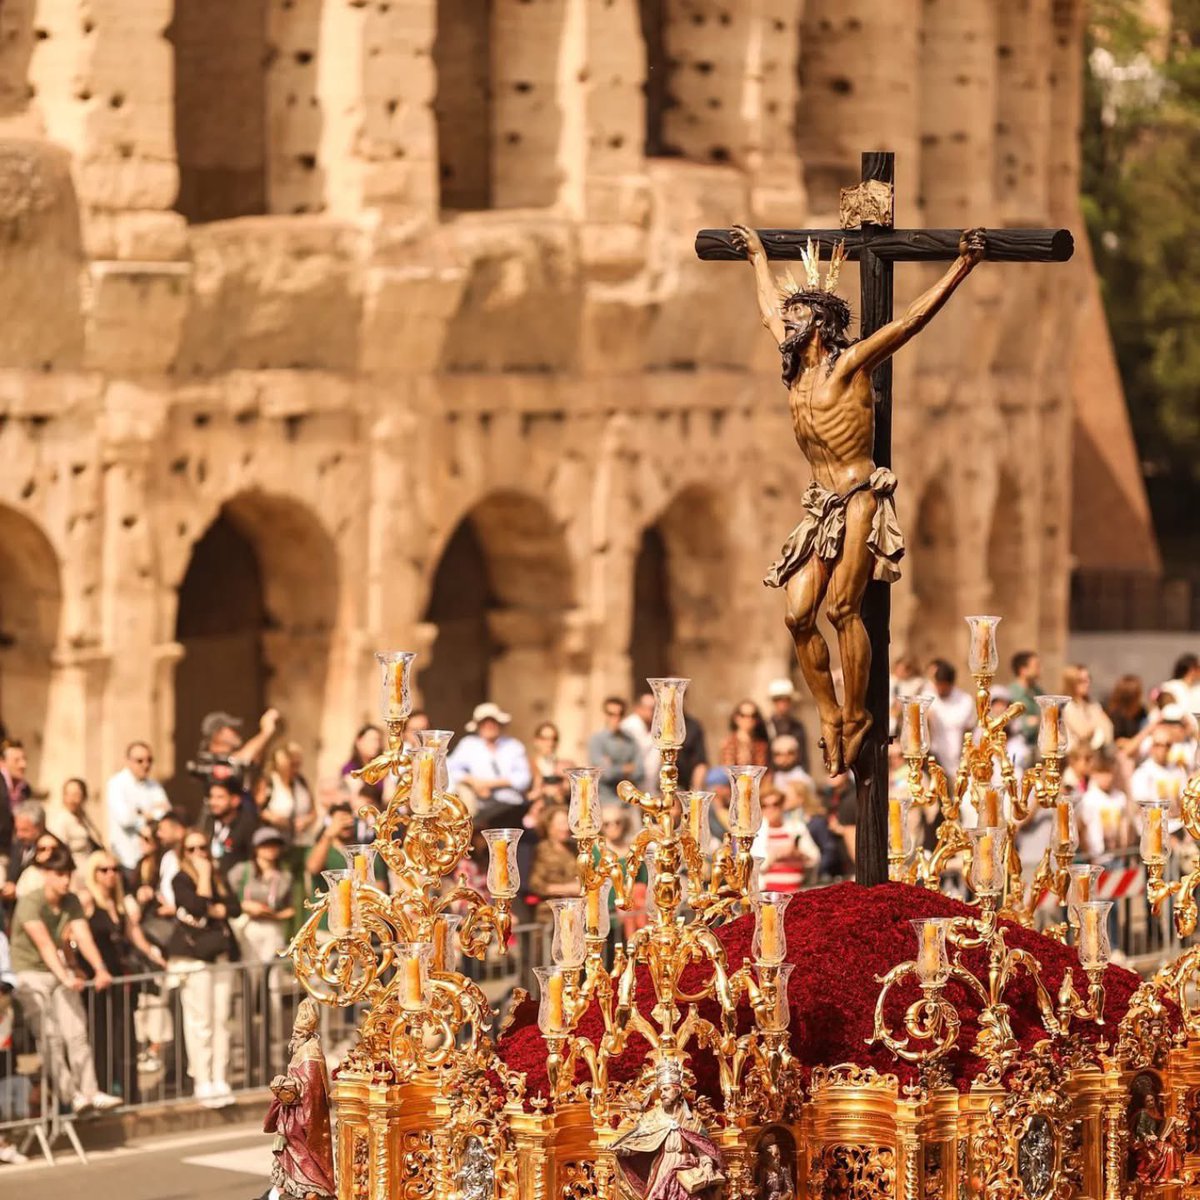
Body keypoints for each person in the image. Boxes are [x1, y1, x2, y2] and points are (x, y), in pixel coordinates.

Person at [732, 222, 986, 773]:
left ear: (819, 326)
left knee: (844, 607)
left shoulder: (847, 366)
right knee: (798, 616)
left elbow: (909, 322)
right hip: (819, 505)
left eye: (799, 317)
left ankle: (856, 713)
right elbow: (767, 311)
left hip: (858, 498)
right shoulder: (794, 371)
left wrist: (961, 267)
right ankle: (828, 711)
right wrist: (755, 256)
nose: (787, 323)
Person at [10, 846, 122, 1114]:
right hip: (30, 973)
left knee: (77, 1033)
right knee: (51, 1037)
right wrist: (65, 975)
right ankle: (70, 1095)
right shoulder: (30, 902)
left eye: (67, 874)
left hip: (58, 971)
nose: (64, 880)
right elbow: (45, 944)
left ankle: (90, 1092)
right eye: (59, 874)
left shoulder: (70, 901)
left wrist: (100, 969)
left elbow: (83, 937)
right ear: (46, 875)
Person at [82, 849, 166, 1102]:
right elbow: (79, 935)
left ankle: (130, 1093)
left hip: (119, 978)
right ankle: (105, 1090)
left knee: (126, 1036)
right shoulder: (87, 901)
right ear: (93, 874)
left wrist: (154, 956)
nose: (111, 875)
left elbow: (133, 932)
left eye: (115, 869)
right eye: (104, 870)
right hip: (96, 980)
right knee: (101, 1038)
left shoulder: (118, 903)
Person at [167, 829, 241, 1108]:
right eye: (192, 849)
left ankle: (220, 1076)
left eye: (203, 848)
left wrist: (216, 903)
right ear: (183, 853)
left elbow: (233, 907)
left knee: (222, 1019)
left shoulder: (220, 876)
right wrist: (206, 879)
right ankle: (203, 1079)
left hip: (220, 956)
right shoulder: (181, 879)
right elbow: (197, 906)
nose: (199, 854)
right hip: (195, 958)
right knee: (200, 1022)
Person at [612, 1059, 725, 1200]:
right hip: (663, 1169)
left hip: (688, 1170)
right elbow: (640, 1143)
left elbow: (703, 1149)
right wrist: (623, 1150)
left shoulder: (691, 1121)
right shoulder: (652, 1117)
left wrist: (707, 1165)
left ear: (677, 1090)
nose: (662, 1094)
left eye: (666, 1089)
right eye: (660, 1090)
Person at [263, 997, 335, 1200]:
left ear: (308, 1033)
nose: (294, 1037)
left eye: (298, 1034)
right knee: (287, 1150)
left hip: (303, 1117)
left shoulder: (310, 1054)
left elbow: (311, 1090)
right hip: (291, 1113)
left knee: (303, 1153)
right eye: (294, 1033)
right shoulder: (300, 1050)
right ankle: (291, 1185)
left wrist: (291, 1088)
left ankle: (311, 1186)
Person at [228, 828, 295, 1010]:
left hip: (273, 927)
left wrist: (274, 914)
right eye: (266, 845)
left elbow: (290, 908)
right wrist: (244, 905)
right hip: (247, 926)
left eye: (274, 845)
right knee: (249, 979)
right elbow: (228, 898)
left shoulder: (284, 876)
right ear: (256, 848)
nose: (271, 849)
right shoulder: (242, 871)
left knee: (274, 980)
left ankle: (273, 1031)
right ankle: (246, 1031)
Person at [446, 703, 532, 820]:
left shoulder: (513, 746)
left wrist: (488, 784)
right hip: (481, 806)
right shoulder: (468, 744)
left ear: (499, 724)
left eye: (492, 722)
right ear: (478, 726)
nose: (489, 726)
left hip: (511, 804)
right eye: (484, 723)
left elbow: (523, 779)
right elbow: (451, 769)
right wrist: (473, 782)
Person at [105, 742, 169, 873]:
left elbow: (167, 814)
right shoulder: (117, 784)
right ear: (128, 761)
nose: (145, 765)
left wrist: (142, 813)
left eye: (149, 760)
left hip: (150, 858)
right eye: (140, 761)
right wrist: (152, 814)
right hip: (126, 857)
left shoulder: (154, 786)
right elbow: (125, 819)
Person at [589, 698, 645, 804]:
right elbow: (605, 774)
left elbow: (640, 772)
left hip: (629, 800)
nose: (616, 718)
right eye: (611, 714)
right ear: (605, 715)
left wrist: (613, 767)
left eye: (620, 714)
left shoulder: (630, 739)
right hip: (606, 799)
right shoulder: (597, 740)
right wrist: (626, 768)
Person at [925, 659, 976, 774]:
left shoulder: (965, 701)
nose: (940, 689)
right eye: (938, 685)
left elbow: (969, 731)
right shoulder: (927, 698)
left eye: (944, 685)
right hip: (934, 757)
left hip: (957, 759)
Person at [528, 806, 579, 920]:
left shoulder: (575, 848)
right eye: (561, 823)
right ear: (549, 826)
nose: (566, 827)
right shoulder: (542, 850)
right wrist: (568, 889)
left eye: (567, 822)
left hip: (576, 912)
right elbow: (536, 885)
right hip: (550, 914)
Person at [1076, 753, 1129, 864]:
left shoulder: (1120, 797)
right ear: (1094, 774)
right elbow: (1082, 830)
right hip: (1097, 858)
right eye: (1101, 773)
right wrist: (1089, 856)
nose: (1106, 778)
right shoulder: (1089, 799)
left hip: (1118, 856)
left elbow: (1124, 826)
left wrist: (1124, 851)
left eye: (1108, 773)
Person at [48, 777, 105, 873]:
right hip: (73, 870)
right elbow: (60, 852)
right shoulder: (62, 819)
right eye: (68, 794)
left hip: (89, 867)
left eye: (75, 794)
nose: (71, 799)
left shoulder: (84, 818)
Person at [262, 745, 315, 845]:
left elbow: (313, 811)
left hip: (302, 840)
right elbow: (258, 809)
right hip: (276, 840)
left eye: (297, 765)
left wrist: (307, 820)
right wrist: (275, 819)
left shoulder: (301, 781)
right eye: (292, 765)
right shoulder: (269, 781)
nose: (295, 770)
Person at [203, 778, 259, 873]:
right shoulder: (209, 821)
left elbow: (254, 860)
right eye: (211, 797)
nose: (213, 802)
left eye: (219, 797)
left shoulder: (248, 825)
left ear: (235, 800)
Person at [1062, 665, 1114, 754]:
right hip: (1074, 756)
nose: (1087, 683)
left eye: (1088, 678)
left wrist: (1094, 727)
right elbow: (1083, 732)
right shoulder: (1067, 706)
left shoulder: (1093, 705)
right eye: (1081, 681)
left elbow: (1109, 729)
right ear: (1071, 682)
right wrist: (1097, 724)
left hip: (1095, 754)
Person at [764, 679, 809, 772]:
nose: (783, 703)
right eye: (779, 700)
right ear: (773, 702)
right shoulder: (766, 726)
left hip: (795, 773)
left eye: (786, 699)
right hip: (773, 774)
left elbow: (803, 756)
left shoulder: (798, 726)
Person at [621, 693, 661, 788]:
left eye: (655, 708)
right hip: (632, 782)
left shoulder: (656, 726)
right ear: (638, 708)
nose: (653, 712)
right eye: (650, 708)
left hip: (651, 783)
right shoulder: (628, 726)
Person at [343, 724, 387, 809]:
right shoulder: (350, 769)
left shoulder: (383, 768)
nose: (376, 745)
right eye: (371, 740)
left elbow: (388, 795)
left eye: (378, 741)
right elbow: (356, 797)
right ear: (358, 742)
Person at [528, 722, 570, 806]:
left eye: (554, 739)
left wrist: (563, 789)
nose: (550, 743)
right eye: (545, 739)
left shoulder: (564, 766)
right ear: (536, 741)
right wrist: (543, 791)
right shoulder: (527, 765)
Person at [719, 701, 770, 767]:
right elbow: (727, 770)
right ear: (736, 718)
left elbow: (764, 771)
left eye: (753, 715)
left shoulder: (761, 744)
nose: (749, 719)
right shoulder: (728, 743)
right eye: (744, 715)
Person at [1008, 651, 1043, 747]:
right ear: (1023, 670)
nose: (1039, 669)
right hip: (1019, 744)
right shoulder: (1011, 694)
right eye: (1036, 666)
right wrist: (1028, 722)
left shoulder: (1038, 692)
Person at [767, 736, 813, 801]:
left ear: (797, 754)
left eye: (789, 753)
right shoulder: (770, 779)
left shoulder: (804, 779)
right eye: (778, 754)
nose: (784, 758)